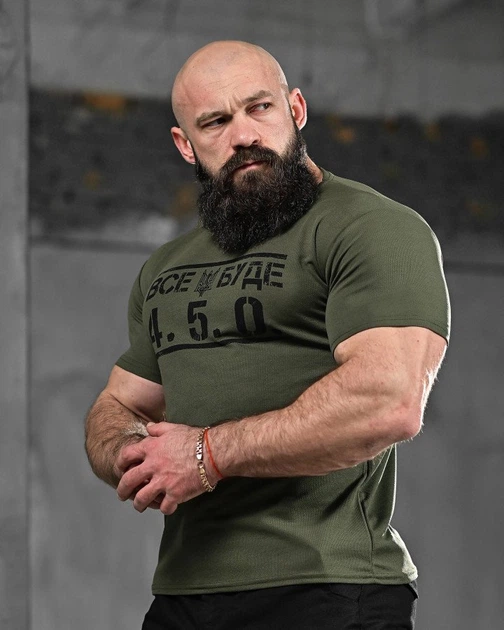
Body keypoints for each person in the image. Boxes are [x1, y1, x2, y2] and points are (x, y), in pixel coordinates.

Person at [85, 40, 450, 629]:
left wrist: (207, 455)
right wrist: (133, 454)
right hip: (184, 593)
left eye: (259, 108)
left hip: (329, 588)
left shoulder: (371, 228)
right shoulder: (166, 267)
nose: (244, 135)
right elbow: (121, 402)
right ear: (185, 144)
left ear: (295, 109)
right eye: (215, 121)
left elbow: (389, 400)